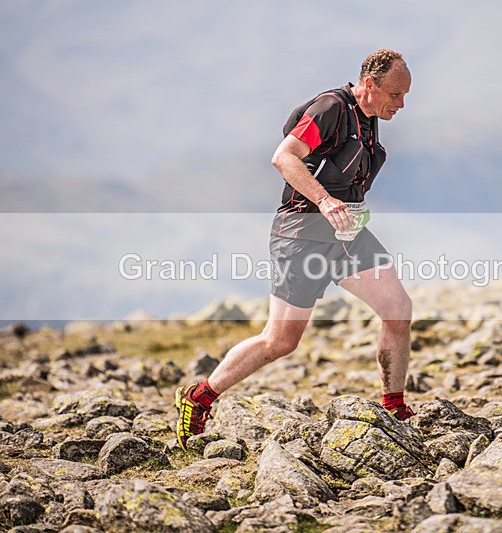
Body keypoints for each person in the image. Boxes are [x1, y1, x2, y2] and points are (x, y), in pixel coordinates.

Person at [175, 49, 414, 450]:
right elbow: (283, 157)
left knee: (398, 309)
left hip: (347, 235)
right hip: (302, 234)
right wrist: (325, 201)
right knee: (281, 341)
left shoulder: (369, 117)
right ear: (370, 85)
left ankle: (395, 410)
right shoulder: (330, 108)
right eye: (395, 94)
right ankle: (199, 397)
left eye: (405, 95)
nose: (401, 104)